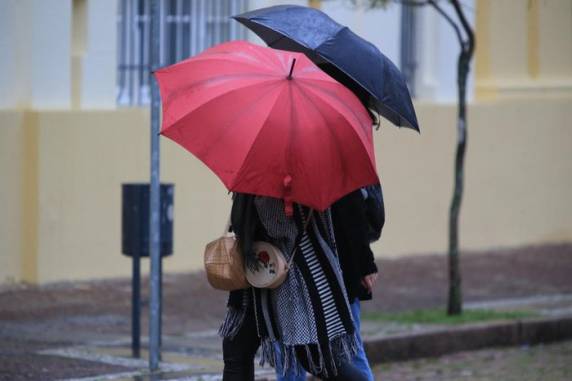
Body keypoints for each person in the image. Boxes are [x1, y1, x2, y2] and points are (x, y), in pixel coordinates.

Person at [220, 193, 370, 381]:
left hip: (295, 282)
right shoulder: (263, 178)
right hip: (257, 281)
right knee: (237, 350)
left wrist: (255, 206)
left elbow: (277, 226)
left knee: (317, 358)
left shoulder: (285, 177)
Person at [274, 185, 385, 381]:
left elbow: (352, 209)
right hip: (309, 271)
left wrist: (365, 262)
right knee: (342, 350)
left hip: (328, 270)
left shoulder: (333, 162)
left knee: (343, 349)